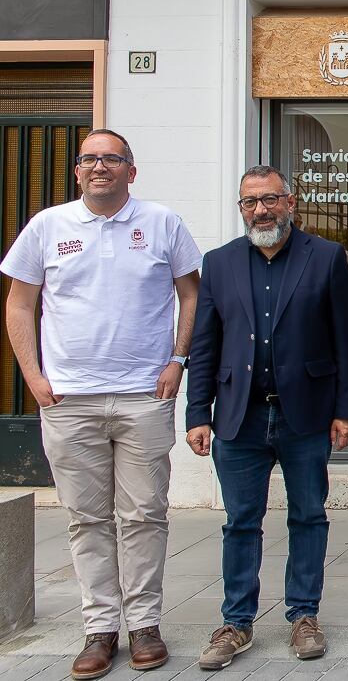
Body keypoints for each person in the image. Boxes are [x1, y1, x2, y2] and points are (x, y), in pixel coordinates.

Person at [1, 129, 201, 680]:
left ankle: (144, 626)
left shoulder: (162, 223)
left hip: (144, 394)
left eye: (111, 159)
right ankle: (99, 629)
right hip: (68, 397)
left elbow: (191, 293)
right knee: (86, 519)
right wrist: (33, 377)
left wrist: (178, 359)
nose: (99, 167)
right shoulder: (47, 226)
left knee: (144, 517)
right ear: (77, 171)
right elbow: (19, 305)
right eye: (89, 159)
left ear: (130, 171)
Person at [184, 165, 348, 670]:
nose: (260, 209)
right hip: (238, 419)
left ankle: (304, 615)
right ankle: (237, 622)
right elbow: (206, 343)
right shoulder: (218, 264)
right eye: (249, 202)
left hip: (304, 416)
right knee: (241, 522)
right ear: (241, 208)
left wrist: (347, 410)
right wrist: (199, 413)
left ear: (291, 202)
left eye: (269, 199)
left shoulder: (325, 257)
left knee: (309, 516)